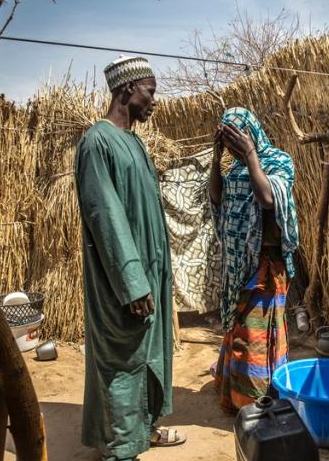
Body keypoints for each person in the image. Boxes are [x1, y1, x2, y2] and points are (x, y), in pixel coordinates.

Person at [75, 56, 185, 461]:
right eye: (150, 92)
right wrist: (132, 283)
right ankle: (121, 449)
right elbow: (106, 217)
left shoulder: (135, 142)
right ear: (127, 90)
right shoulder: (96, 142)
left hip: (147, 274)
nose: (154, 101)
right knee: (123, 362)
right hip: (122, 282)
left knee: (149, 355)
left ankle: (144, 430)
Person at [209, 107, 300, 411]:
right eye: (229, 143)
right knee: (239, 331)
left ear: (251, 133)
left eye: (238, 141)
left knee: (257, 334)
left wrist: (250, 154)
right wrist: (215, 157)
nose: (234, 150)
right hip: (239, 266)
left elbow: (268, 198)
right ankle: (235, 396)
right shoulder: (235, 169)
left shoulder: (278, 161)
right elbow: (217, 199)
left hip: (266, 266)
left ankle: (257, 398)